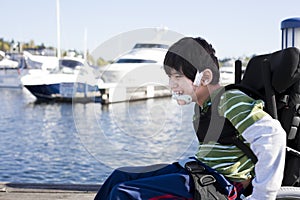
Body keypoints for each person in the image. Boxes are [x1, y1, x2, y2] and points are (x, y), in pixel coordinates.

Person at [94, 37, 286, 200]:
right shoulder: (202, 108)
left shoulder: (230, 100)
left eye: (177, 76)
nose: (171, 84)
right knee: (119, 177)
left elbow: (273, 136)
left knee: (124, 194)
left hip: (219, 184)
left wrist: (262, 195)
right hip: (197, 171)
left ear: (205, 77)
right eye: (170, 77)